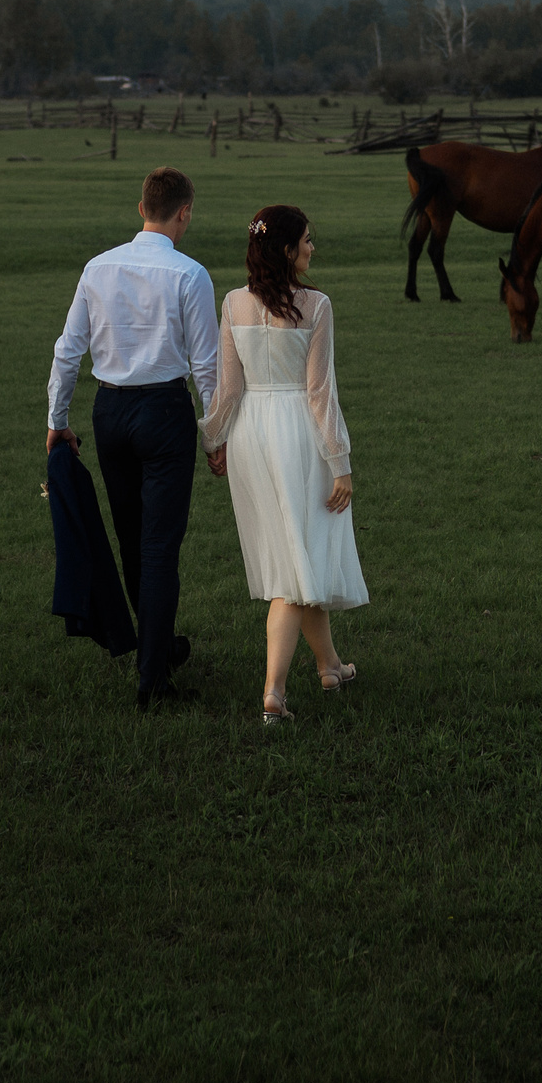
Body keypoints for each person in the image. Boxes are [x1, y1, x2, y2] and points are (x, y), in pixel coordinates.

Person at [47, 166, 220, 709]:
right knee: (159, 548)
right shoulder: (190, 274)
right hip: (164, 412)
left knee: (132, 539)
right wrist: (215, 437)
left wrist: (57, 419)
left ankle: (159, 648)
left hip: (109, 412)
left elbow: (68, 350)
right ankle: (153, 680)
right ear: (184, 212)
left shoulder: (97, 267)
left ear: (142, 207)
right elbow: (207, 367)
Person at [201, 204, 366, 725]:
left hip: (251, 435)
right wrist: (340, 460)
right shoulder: (316, 306)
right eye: (307, 240)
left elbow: (229, 389)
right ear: (288, 250)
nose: (313, 248)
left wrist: (213, 439)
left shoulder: (233, 302)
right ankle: (273, 691)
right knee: (292, 568)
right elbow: (320, 393)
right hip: (298, 435)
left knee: (299, 552)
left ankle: (330, 665)